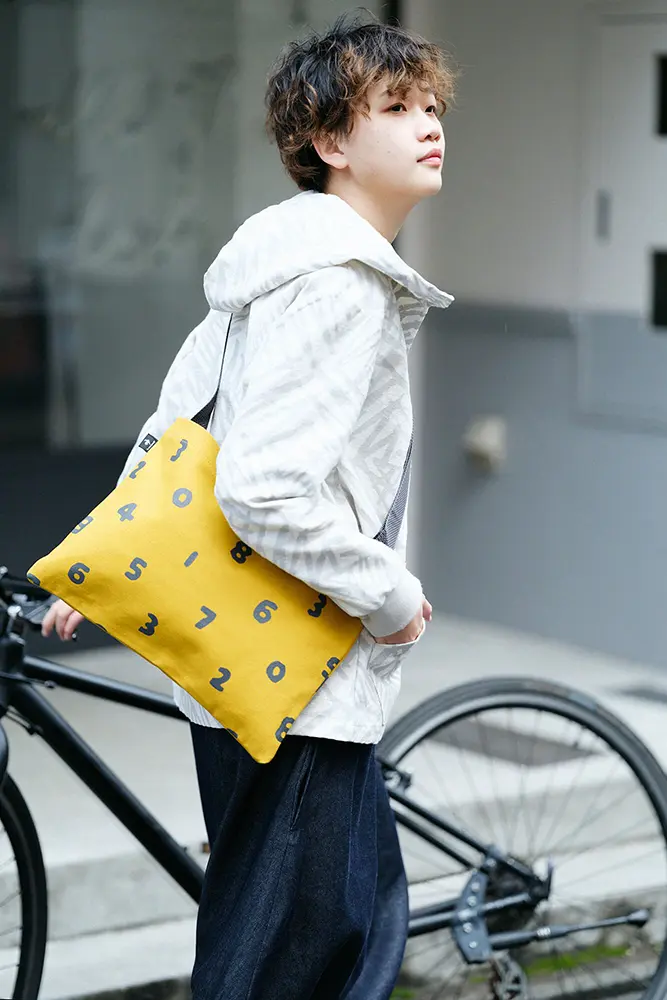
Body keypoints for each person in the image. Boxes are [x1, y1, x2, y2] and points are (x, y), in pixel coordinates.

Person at [42, 13, 455, 999]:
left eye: (432, 105)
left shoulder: (264, 273)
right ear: (330, 141)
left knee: (340, 927)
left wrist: (96, 560)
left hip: (245, 669)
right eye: (396, 107)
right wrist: (388, 594)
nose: (430, 124)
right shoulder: (341, 288)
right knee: (287, 961)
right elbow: (259, 486)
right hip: (301, 678)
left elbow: (176, 427)